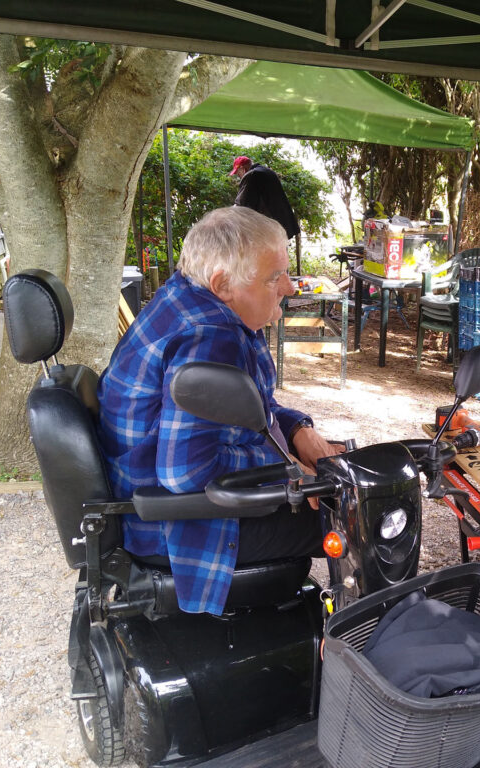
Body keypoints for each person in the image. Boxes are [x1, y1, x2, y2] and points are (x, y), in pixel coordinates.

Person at [97, 206, 341, 615]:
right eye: (273, 278)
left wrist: (300, 433)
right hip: (181, 525)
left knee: (343, 483)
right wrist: (290, 469)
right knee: (368, 507)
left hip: (161, 507)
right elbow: (183, 473)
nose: (289, 287)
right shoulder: (211, 336)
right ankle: (366, 636)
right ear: (223, 283)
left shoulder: (187, 297)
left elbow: (250, 408)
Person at [230, 155, 300, 240]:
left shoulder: (252, 175)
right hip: (282, 226)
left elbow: (241, 204)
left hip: (269, 228)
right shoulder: (267, 171)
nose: (239, 177)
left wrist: (227, 214)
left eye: (238, 173)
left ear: (242, 168)